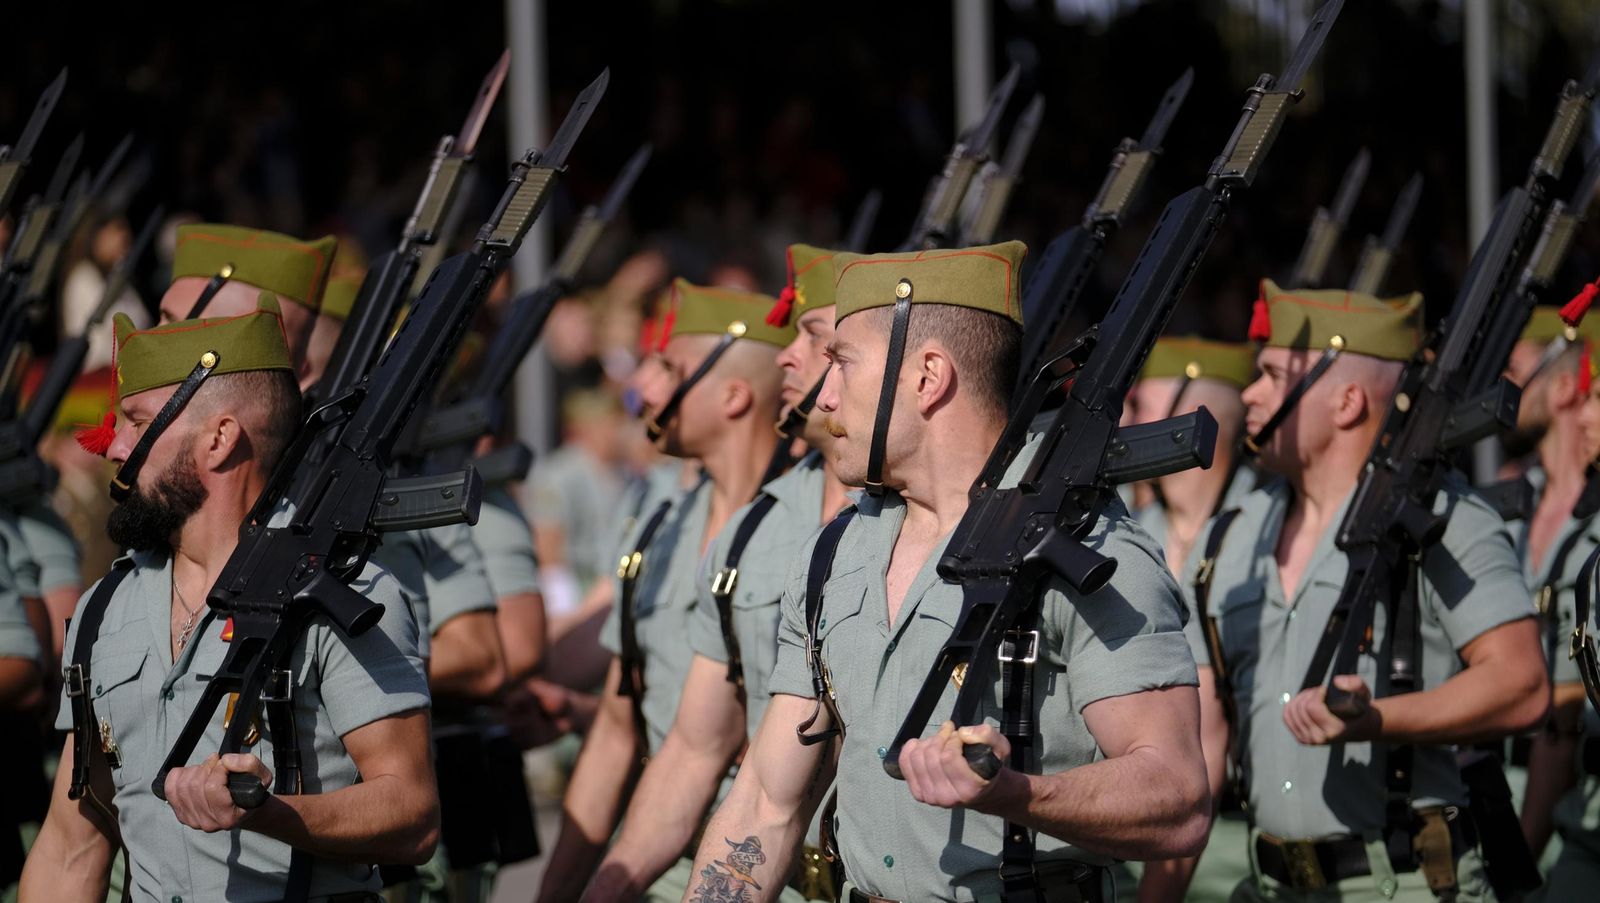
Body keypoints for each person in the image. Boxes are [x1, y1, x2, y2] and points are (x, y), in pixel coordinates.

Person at [686, 241, 1210, 903]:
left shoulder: (1080, 547)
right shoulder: (835, 554)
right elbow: (765, 803)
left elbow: (1179, 795)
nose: (825, 399)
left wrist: (1017, 793)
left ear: (929, 376)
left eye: (843, 363)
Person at [21, 294, 437, 902]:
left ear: (218, 439)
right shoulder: (104, 608)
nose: (113, 446)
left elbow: (411, 812)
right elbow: (72, 843)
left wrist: (269, 812)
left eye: (136, 423)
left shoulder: (339, 592)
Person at [1182, 279, 1549, 901]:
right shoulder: (1230, 537)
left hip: (1401, 882)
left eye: (1273, 375)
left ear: (1347, 401)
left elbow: (1521, 684)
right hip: (1267, 885)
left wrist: (1378, 720)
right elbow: (1207, 738)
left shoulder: (1438, 518)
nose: (1250, 393)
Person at [584, 244, 851, 901]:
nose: (789, 353)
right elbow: (693, 749)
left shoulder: (943, 530)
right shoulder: (747, 531)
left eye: (818, 342)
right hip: (733, 862)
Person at [537, 279, 794, 902]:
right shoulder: (663, 519)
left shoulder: (808, 530)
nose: (644, 389)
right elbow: (620, 729)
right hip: (654, 856)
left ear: (734, 396)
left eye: (669, 368)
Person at [1122, 335, 1257, 903]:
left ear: (1185, 416)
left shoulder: (1265, 526)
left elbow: (1210, 732)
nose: (1124, 420)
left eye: (1141, 408)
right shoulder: (1134, 531)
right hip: (1141, 830)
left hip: (1236, 836)